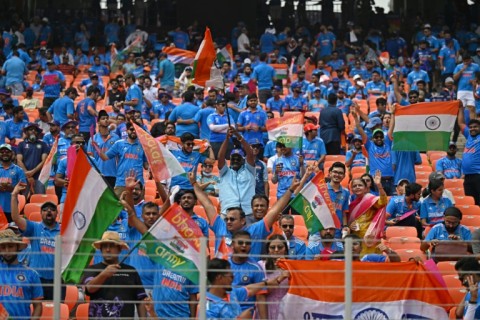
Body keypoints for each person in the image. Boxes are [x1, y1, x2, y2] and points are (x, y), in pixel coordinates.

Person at [11, 183, 60, 300]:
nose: (49, 211)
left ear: (56, 214)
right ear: (41, 213)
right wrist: (14, 195)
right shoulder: (35, 228)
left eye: (52, 209)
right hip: (36, 278)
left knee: (56, 313)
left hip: (57, 280)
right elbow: (16, 219)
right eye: (45, 209)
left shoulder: (64, 231)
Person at [83, 231, 147, 319]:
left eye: (112, 246)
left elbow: (140, 300)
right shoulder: (92, 269)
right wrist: (104, 274)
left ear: (119, 249)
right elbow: (89, 289)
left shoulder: (131, 271)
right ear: (101, 249)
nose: (108, 249)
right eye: (105, 246)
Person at [206, 258, 289, 319]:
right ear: (219, 278)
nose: (233, 279)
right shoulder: (207, 307)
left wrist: (269, 282)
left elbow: (249, 289)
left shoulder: (231, 293)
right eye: (230, 276)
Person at [95, 122, 148, 197]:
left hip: (138, 184)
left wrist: (152, 167)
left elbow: (146, 165)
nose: (134, 131)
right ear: (127, 131)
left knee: (137, 208)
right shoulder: (119, 144)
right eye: (131, 129)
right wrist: (96, 147)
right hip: (121, 183)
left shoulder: (143, 146)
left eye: (136, 130)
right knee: (119, 207)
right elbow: (104, 157)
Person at [0, 229, 43, 318]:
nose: (7, 250)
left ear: (17, 247)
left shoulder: (31, 274)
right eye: (3, 247)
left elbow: (38, 306)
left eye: (11, 246)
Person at [354, 109, 394, 195]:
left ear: (384, 137)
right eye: (376, 137)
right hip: (377, 180)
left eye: (381, 136)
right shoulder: (370, 145)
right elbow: (359, 128)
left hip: (391, 179)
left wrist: (393, 113)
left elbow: (391, 127)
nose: (379, 138)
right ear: (373, 138)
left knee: (390, 204)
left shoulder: (387, 143)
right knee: (380, 203)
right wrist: (355, 117)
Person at [347, 171, 388, 256]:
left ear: (366, 188)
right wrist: (350, 226)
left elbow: (383, 202)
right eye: (354, 186)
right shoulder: (351, 205)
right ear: (352, 190)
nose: (357, 187)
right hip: (356, 239)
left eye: (360, 185)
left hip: (370, 237)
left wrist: (379, 185)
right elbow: (348, 222)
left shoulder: (371, 200)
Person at [217, 128, 256, 216]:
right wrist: (227, 139)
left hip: (247, 212)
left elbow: (250, 153)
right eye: (233, 158)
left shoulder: (249, 170)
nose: (235, 160)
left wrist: (238, 136)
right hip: (228, 212)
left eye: (238, 158)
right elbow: (220, 157)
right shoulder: (225, 172)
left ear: (243, 160)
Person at [258, 234, 290, 319]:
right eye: (272, 247)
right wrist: (280, 278)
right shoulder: (260, 266)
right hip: (266, 309)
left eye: (280, 247)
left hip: (286, 310)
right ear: (268, 250)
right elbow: (259, 291)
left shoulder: (292, 267)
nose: (276, 250)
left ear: (285, 250)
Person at [87, 110, 120, 187]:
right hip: (98, 174)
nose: (106, 120)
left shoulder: (116, 138)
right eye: (103, 118)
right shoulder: (93, 138)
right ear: (98, 122)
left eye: (107, 118)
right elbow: (90, 158)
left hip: (112, 174)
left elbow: (119, 157)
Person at [16, 123, 48, 195]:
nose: (33, 131)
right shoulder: (21, 144)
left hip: (39, 177)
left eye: (35, 130)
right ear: (26, 132)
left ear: (38, 132)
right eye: (30, 129)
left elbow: (44, 161)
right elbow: (19, 161)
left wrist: (32, 172)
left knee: (40, 198)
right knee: (23, 199)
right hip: (24, 177)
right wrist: (27, 174)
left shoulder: (43, 144)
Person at [457, 104, 480, 205]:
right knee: (471, 202)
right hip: (467, 176)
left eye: (475, 127)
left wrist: (473, 112)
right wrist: (460, 108)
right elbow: (461, 123)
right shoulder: (469, 135)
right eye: (470, 127)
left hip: (478, 175)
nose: (472, 129)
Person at [0, 144, 26, 222]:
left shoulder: (19, 170)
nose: (5, 153)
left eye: (7, 151)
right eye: (2, 152)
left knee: (10, 232)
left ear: (12, 154)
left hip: (11, 208)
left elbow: (23, 188)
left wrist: (11, 188)